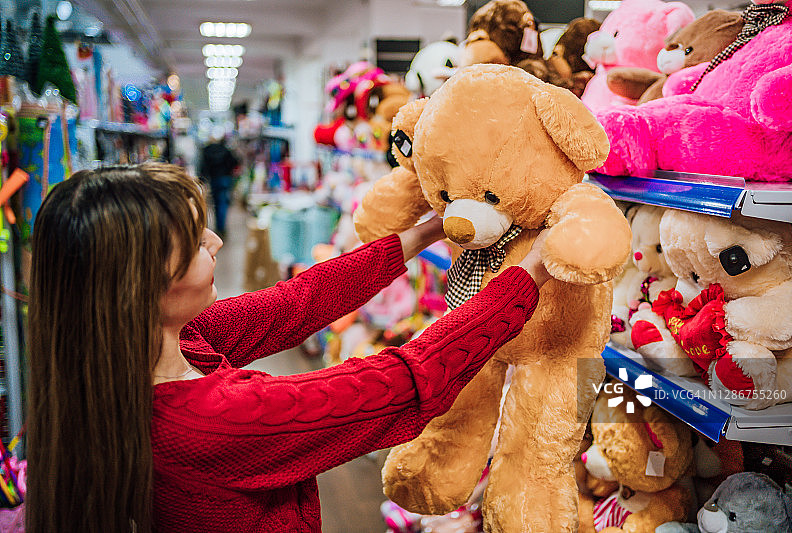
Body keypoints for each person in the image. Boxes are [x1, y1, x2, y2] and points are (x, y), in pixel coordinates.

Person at [26, 162, 551, 533]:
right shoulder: (209, 420)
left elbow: (296, 303)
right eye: (196, 240)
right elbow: (400, 383)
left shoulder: (169, 346)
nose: (217, 241)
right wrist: (533, 271)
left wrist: (425, 233)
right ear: (144, 283)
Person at [199, 127, 239, 237]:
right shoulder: (226, 150)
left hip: (214, 179)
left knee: (216, 203)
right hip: (225, 179)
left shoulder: (206, 150)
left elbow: (203, 166)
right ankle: (221, 226)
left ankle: (219, 225)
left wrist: (202, 178)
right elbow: (234, 162)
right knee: (223, 203)